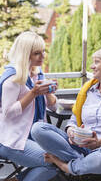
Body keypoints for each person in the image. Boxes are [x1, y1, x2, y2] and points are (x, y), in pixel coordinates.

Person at [31, 46, 101, 177]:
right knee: (38, 129)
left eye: (96, 62)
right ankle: (81, 162)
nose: (91, 66)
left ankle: (65, 166)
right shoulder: (88, 90)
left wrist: (99, 143)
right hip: (79, 147)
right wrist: (71, 131)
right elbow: (73, 120)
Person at [0, 31, 59, 181]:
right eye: (37, 53)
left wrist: (48, 91)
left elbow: (53, 107)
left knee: (62, 157)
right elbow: (8, 113)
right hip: (12, 140)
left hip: (34, 136)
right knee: (54, 163)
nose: (43, 56)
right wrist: (33, 93)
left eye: (43, 51)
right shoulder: (12, 79)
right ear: (25, 54)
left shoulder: (37, 75)